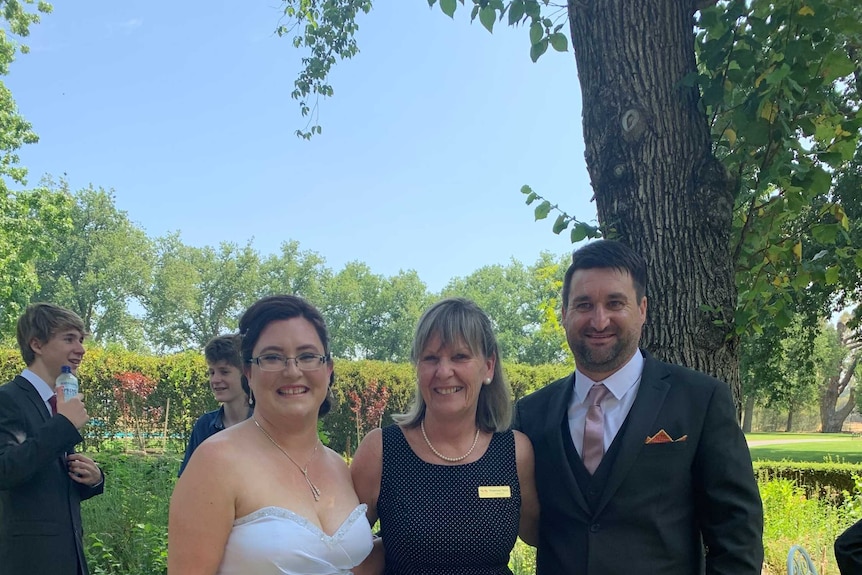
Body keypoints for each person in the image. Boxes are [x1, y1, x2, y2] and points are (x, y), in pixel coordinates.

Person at [513, 240, 763, 575]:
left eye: (615, 303)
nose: (599, 320)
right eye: (584, 305)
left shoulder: (700, 400)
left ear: (642, 309)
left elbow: (737, 534)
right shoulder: (530, 415)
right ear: (564, 314)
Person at [168, 295, 373, 575]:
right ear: (249, 372)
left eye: (307, 356)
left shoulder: (338, 466)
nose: (292, 371)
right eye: (273, 357)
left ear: (328, 369)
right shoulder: (216, 462)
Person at [351, 297, 540, 575]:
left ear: (488, 367)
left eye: (459, 356)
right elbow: (343, 552)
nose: (443, 371)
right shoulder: (381, 450)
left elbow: (541, 535)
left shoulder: (515, 451)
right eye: (430, 358)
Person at [0, 303, 104, 575]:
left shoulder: (58, 400)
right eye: (69, 338)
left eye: (81, 340)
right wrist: (64, 425)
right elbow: (5, 470)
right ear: (37, 344)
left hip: (69, 560)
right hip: (28, 562)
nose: (80, 349)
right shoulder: (7, 399)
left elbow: (46, 480)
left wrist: (93, 479)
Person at [178, 334, 252, 476]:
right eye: (212, 372)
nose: (215, 380)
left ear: (246, 374)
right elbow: (188, 480)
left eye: (224, 372)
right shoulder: (204, 426)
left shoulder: (265, 424)